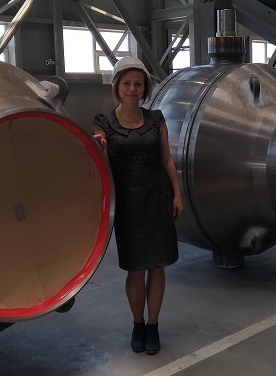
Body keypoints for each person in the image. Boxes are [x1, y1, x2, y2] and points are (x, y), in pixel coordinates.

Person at [93, 56, 183, 356]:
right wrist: (99, 150)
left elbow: (166, 160)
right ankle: (138, 323)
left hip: (157, 197)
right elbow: (99, 167)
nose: (132, 89)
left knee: (157, 266)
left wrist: (177, 194)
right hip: (128, 205)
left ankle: (153, 325)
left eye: (138, 84)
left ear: (145, 89)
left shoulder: (156, 119)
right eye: (127, 83)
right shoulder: (103, 123)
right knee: (135, 269)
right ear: (117, 86)